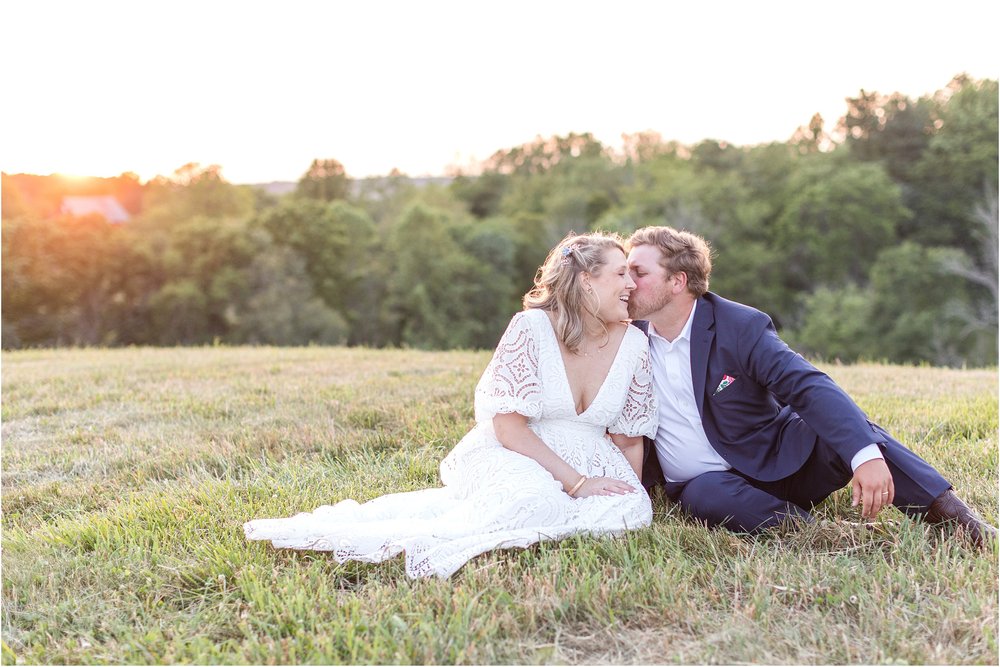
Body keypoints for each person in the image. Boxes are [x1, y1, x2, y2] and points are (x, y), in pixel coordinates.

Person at [245, 232, 658, 578]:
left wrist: (630, 492)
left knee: (626, 511)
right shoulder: (531, 327)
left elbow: (627, 438)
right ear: (587, 280)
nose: (632, 286)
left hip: (592, 456)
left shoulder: (635, 344)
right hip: (518, 451)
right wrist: (578, 484)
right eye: (621, 274)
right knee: (535, 502)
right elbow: (509, 428)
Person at [624, 225, 997, 547]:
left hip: (775, 463)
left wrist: (863, 455)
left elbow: (806, 386)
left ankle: (958, 521)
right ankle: (811, 530)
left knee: (857, 433)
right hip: (708, 487)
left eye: (638, 272)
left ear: (677, 281)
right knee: (706, 494)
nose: (627, 282)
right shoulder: (626, 337)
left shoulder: (738, 326)